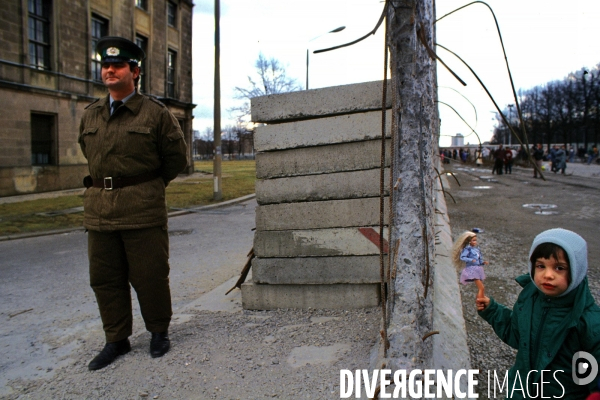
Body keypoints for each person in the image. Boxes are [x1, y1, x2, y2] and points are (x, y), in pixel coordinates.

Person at [78, 37, 188, 371]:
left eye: (118, 65)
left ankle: (158, 332)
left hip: (142, 210)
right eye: (106, 66)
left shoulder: (155, 114)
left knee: (150, 275)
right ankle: (117, 340)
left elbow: (175, 159)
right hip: (100, 212)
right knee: (105, 278)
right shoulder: (91, 115)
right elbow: (90, 154)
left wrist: (146, 187)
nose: (110, 70)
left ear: (134, 71)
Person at [477, 229, 600, 399]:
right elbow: (517, 335)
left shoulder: (590, 323)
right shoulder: (530, 298)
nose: (548, 275)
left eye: (559, 268)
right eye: (541, 266)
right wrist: (492, 311)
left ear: (577, 271)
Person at [453, 231, 489, 301]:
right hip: (471, 269)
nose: (475, 242)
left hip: (477, 269)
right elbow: (462, 257)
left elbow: (479, 260)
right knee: (481, 287)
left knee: (481, 287)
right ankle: (480, 301)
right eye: (474, 240)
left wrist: (483, 262)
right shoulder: (467, 250)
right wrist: (470, 260)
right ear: (469, 241)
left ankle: (480, 300)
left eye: (476, 240)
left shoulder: (476, 250)